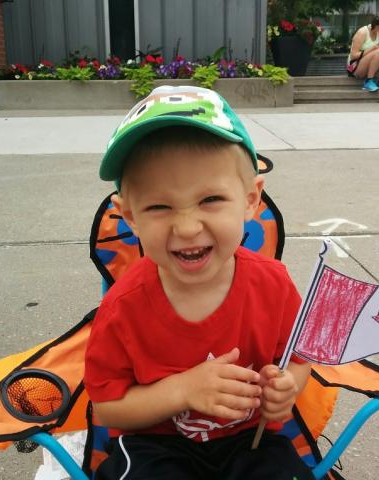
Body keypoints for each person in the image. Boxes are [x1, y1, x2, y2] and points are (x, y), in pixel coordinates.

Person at [84, 85, 313, 480]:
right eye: (159, 206)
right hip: (155, 445)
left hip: (250, 440)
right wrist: (183, 391)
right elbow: (108, 408)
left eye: (210, 200)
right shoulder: (124, 307)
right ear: (130, 216)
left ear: (250, 199)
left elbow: (297, 358)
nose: (188, 227)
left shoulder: (273, 286)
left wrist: (288, 387)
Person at [347, 15, 379, 92]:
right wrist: (372, 49)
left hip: (368, 64)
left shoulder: (377, 33)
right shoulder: (362, 32)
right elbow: (353, 56)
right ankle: (368, 81)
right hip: (354, 67)